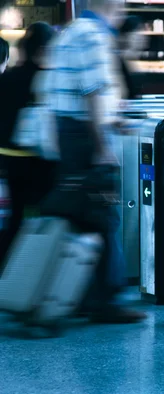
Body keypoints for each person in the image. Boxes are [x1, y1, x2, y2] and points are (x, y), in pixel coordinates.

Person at [42, 0, 146, 324]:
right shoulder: (93, 35)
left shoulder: (70, 31)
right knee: (104, 216)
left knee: (83, 217)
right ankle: (107, 300)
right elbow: (93, 92)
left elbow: (64, 95)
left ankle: (79, 295)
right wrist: (103, 145)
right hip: (88, 140)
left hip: (70, 136)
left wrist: (113, 120)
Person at [0, 22, 57, 265]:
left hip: (8, 157)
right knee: (41, 216)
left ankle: (7, 266)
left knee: (15, 216)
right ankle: (32, 266)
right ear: (44, 48)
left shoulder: (9, 75)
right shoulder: (46, 78)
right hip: (36, 159)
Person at [118, 15, 147, 99]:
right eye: (137, 30)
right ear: (125, 35)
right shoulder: (119, 62)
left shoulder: (132, 59)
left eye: (142, 30)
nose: (142, 35)